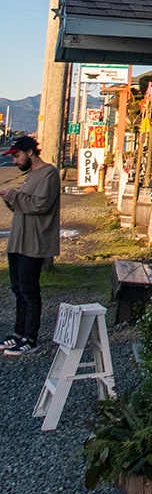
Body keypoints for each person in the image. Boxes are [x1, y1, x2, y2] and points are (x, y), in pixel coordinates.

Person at [1, 134, 60, 355]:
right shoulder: (30, 175)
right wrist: (10, 199)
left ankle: (30, 338)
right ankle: (18, 333)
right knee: (17, 288)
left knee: (29, 289)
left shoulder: (49, 173)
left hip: (34, 241)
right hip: (18, 239)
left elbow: (40, 205)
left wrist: (14, 195)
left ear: (29, 153)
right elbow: (21, 207)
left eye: (16, 156)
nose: (15, 161)